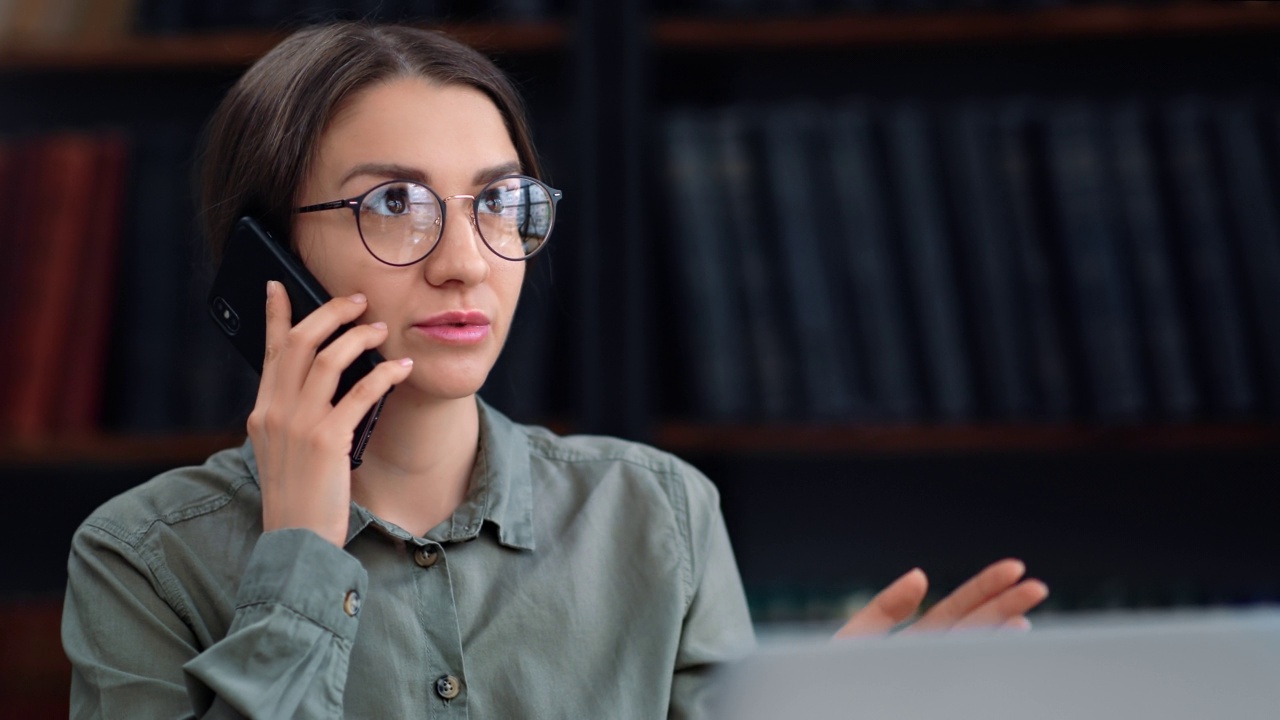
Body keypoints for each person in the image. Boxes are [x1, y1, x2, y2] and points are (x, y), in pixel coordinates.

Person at [61, 22, 1048, 719]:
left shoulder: (654, 512)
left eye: (501, 204)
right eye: (395, 204)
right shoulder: (144, 557)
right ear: (263, 253)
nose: (465, 259)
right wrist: (299, 566)